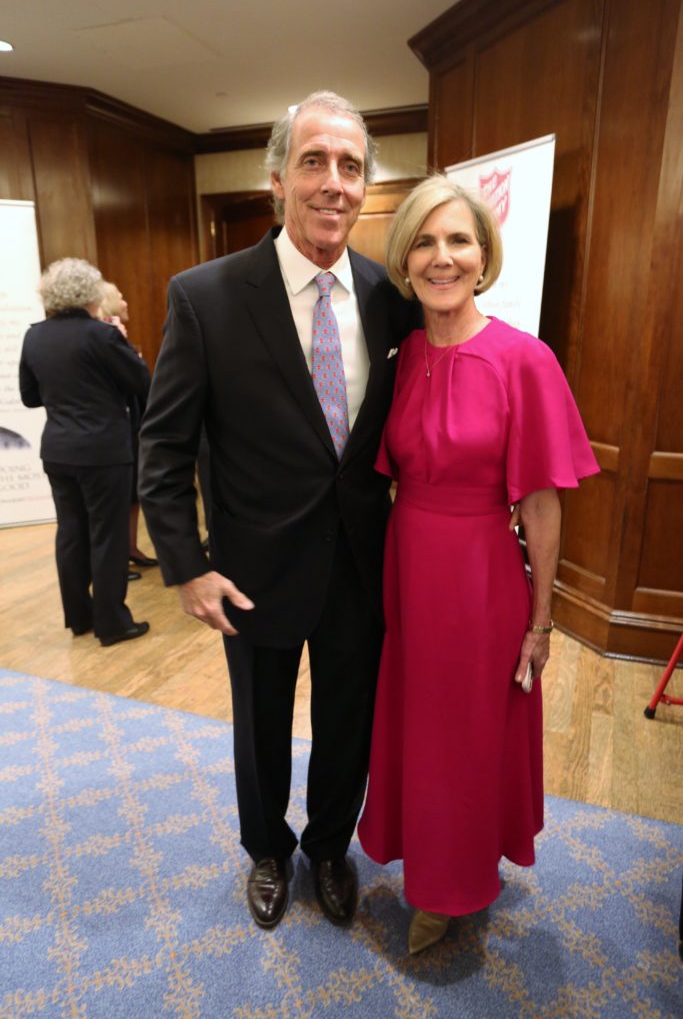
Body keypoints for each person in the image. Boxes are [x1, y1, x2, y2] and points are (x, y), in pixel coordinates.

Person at [139, 91, 418, 930]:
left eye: (349, 166)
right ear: (276, 179)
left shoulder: (387, 298)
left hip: (360, 563)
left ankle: (329, 847)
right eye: (313, 161)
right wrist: (185, 566)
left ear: (363, 184)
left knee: (347, 721)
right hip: (252, 567)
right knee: (259, 730)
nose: (333, 182)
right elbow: (162, 449)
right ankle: (266, 849)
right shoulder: (206, 296)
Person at [356, 175, 600, 953]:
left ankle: (448, 887)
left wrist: (540, 621)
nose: (441, 257)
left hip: (477, 578)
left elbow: (542, 504)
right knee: (415, 727)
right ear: (404, 259)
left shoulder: (522, 359)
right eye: (424, 242)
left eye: (458, 240)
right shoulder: (403, 353)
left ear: (483, 255)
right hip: (408, 569)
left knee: (461, 734)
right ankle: (426, 857)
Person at [19, 258, 151, 646]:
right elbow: (142, 382)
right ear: (90, 294)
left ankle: (79, 616)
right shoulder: (102, 336)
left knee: (71, 532)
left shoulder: (34, 337)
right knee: (107, 536)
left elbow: (29, 398)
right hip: (103, 450)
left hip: (57, 449)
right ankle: (113, 623)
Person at [99, 280, 157, 574]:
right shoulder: (107, 337)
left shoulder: (116, 335)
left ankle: (131, 547)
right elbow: (138, 381)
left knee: (133, 494)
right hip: (115, 431)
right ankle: (119, 558)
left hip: (131, 426)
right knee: (119, 498)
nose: (125, 302)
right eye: (120, 297)